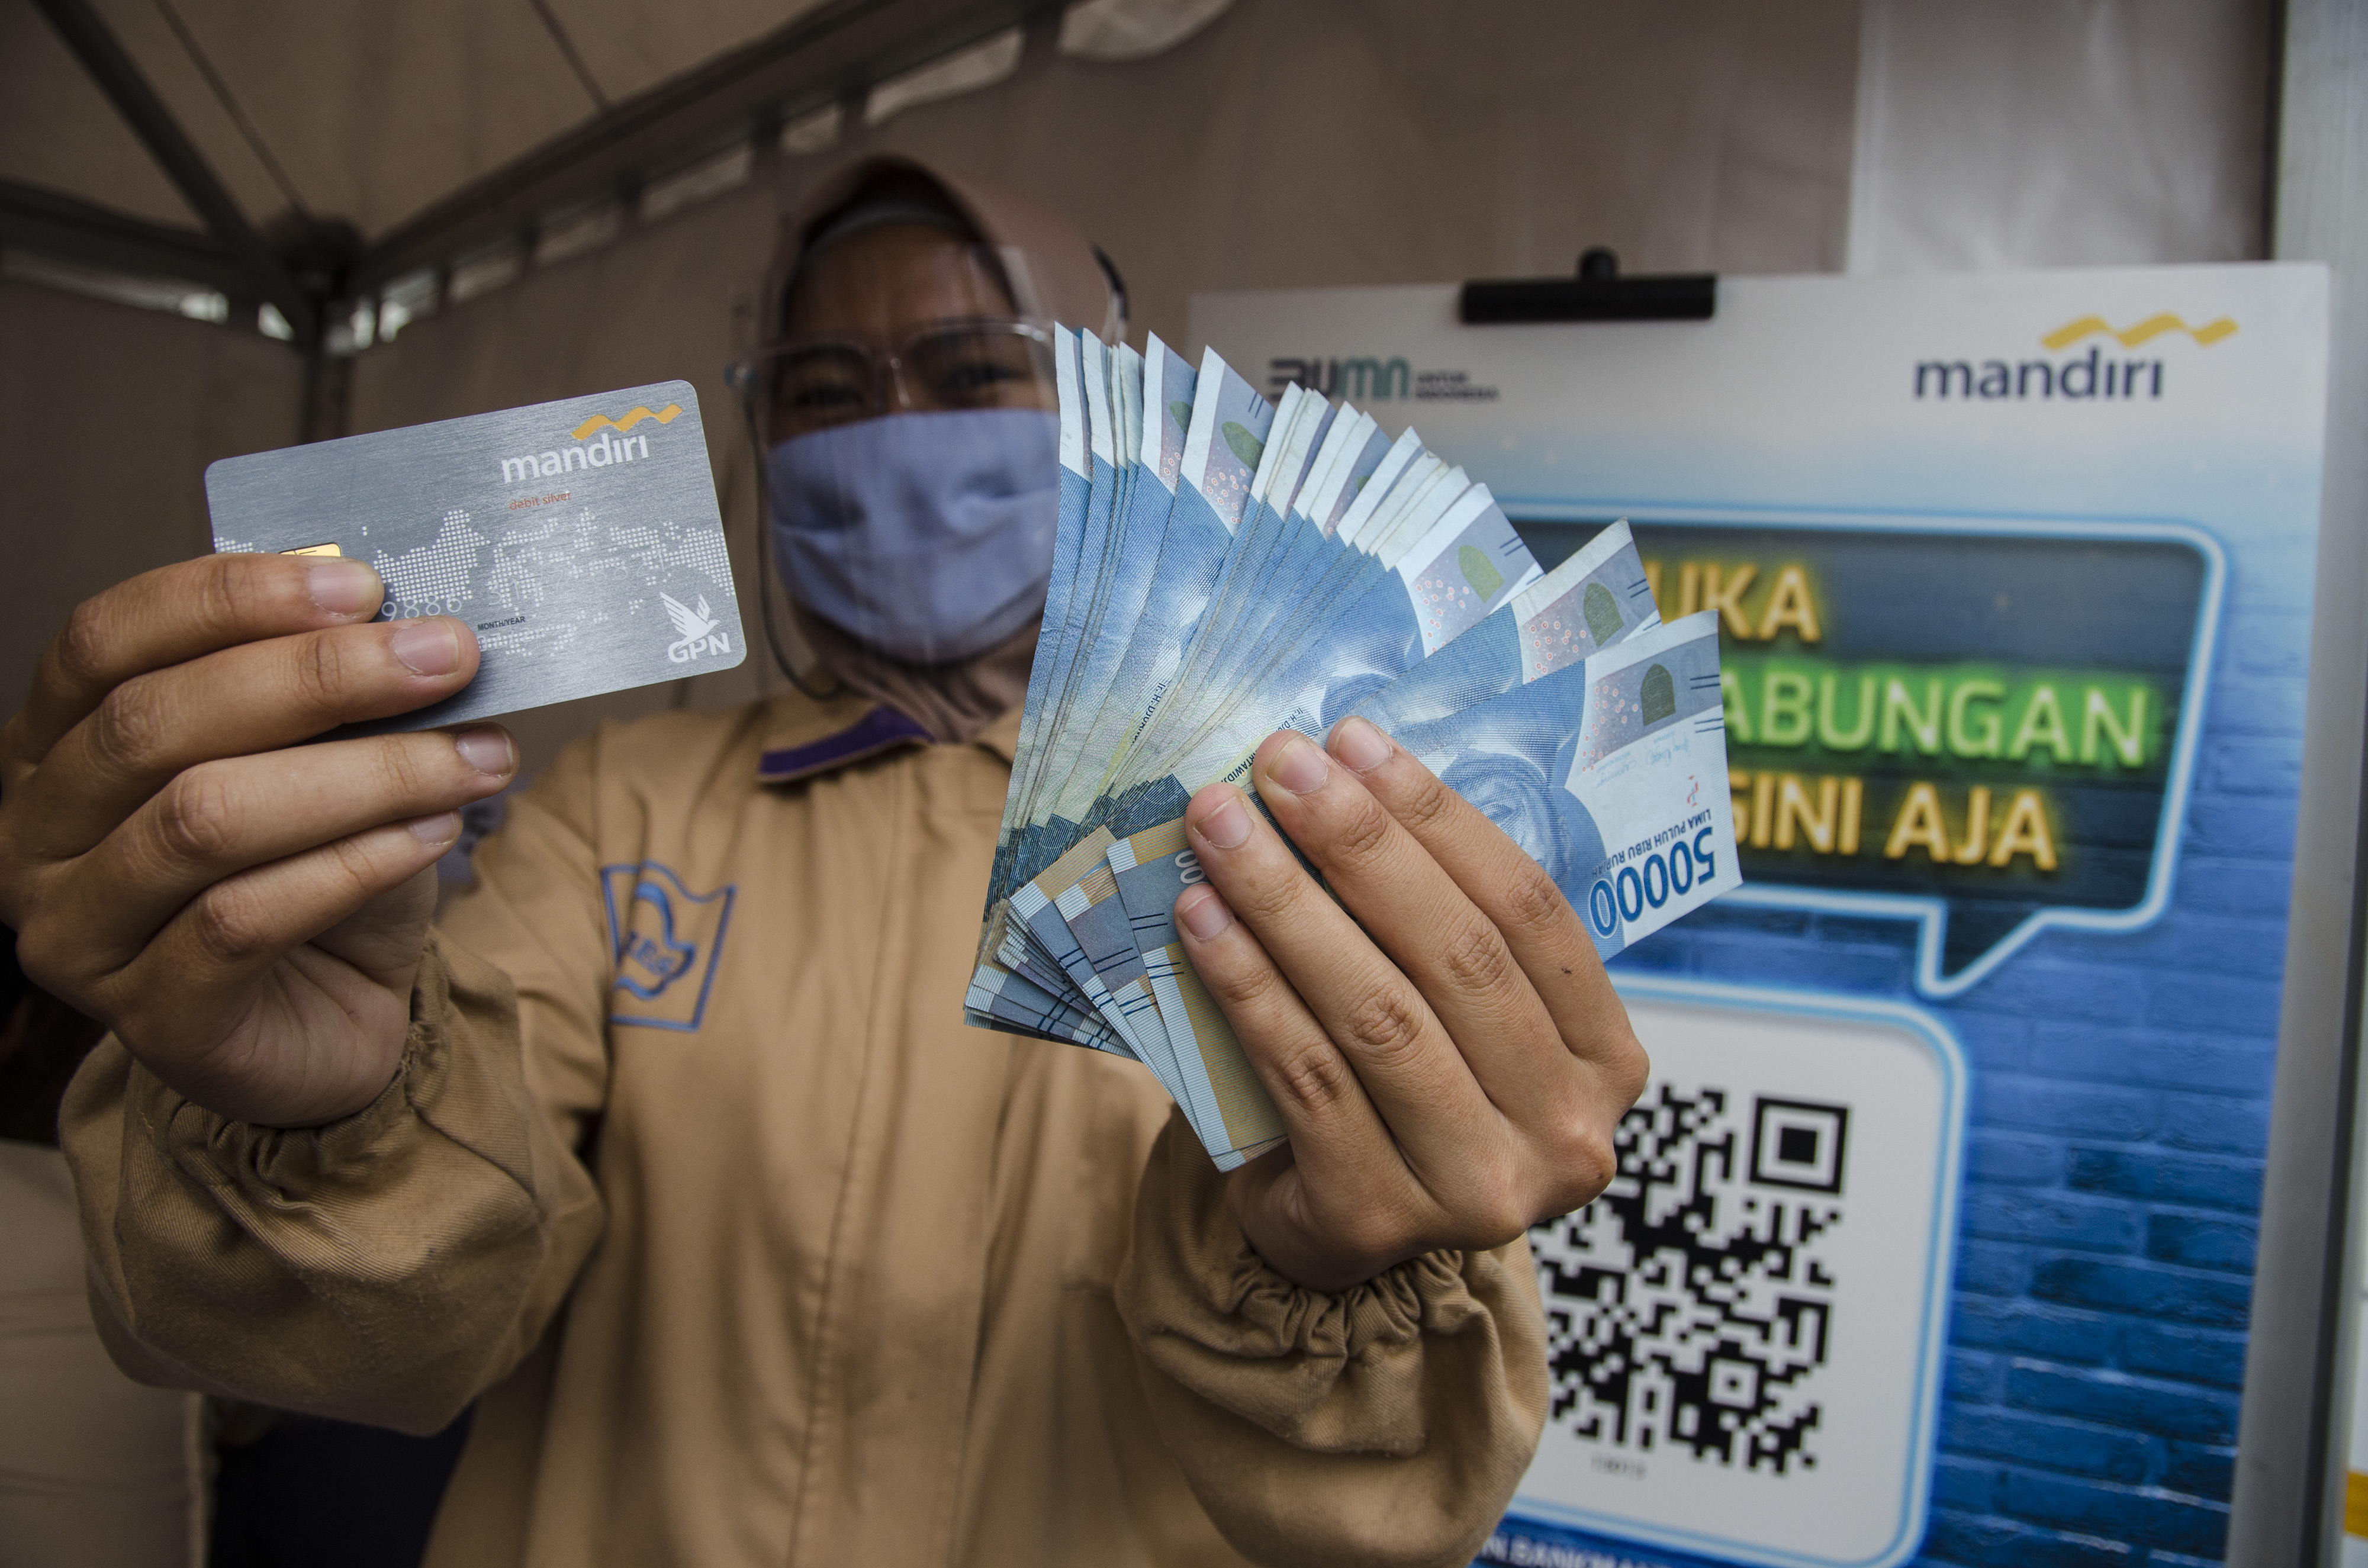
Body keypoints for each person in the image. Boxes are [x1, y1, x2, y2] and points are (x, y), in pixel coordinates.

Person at [0, 154, 1648, 1567]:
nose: (893, 433)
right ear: (759, 440)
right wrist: (314, 1101)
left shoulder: (1282, 819)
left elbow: (1385, 1487)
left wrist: (1349, 1234)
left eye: (967, 369)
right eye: (827, 393)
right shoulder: (619, 804)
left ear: (1104, 399)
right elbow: (400, 1322)